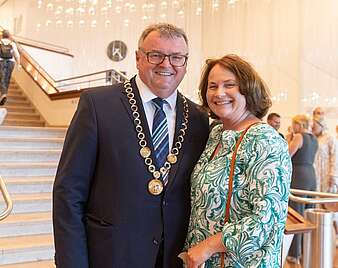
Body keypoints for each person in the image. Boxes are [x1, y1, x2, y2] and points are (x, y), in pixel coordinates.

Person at [52, 23, 209, 268]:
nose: (166, 64)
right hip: (111, 255)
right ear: (138, 58)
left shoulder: (198, 118)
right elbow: (69, 193)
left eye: (177, 57)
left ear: (185, 64)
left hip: (173, 259)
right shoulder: (97, 105)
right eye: (155, 55)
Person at [184, 54, 292, 267]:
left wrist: (208, 246)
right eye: (212, 86)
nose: (219, 93)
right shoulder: (215, 134)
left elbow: (265, 220)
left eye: (229, 85)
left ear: (249, 89)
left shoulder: (265, 139)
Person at [287, 114, 318, 263]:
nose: (293, 127)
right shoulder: (314, 138)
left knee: (296, 215)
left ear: (299, 124)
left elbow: (287, 154)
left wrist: (288, 139)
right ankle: (308, 249)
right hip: (311, 175)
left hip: (299, 175)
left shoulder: (299, 136)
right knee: (309, 213)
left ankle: (294, 253)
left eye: (294, 124)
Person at [312, 116, 338, 193]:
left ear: (321, 125)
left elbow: (335, 157)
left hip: (326, 172)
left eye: (314, 125)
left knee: (325, 197)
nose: (312, 127)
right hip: (315, 172)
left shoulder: (330, 138)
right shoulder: (313, 138)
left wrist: (333, 175)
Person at [0, 29, 20, 105]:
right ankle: (3, 94)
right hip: (11, 62)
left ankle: (3, 94)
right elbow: (17, 55)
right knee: (7, 78)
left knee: (1, 77)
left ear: (2, 35)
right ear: (9, 36)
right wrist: (18, 64)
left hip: (1, 61)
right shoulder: (12, 44)